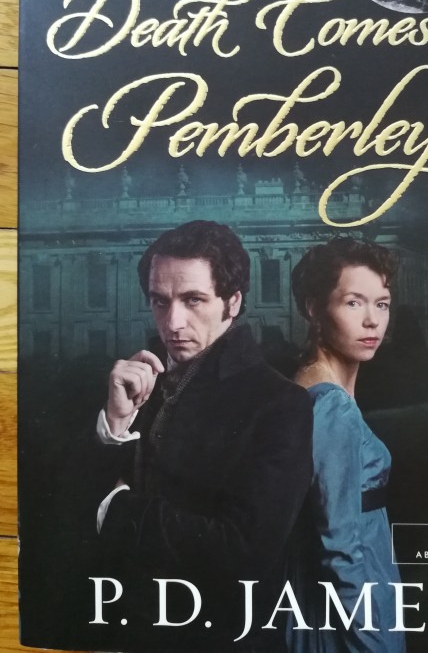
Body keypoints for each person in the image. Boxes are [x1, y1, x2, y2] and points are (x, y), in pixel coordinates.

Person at [72, 220, 313, 653]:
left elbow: (244, 553)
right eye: (159, 301)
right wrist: (114, 425)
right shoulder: (129, 382)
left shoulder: (281, 403)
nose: (173, 322)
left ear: (233, 301)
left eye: (193, 300)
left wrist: (117, 510)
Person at [287, 238, 405, 653]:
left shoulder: (313, 387)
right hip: (350, 609)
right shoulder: (330, 406)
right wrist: (371, 641)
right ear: (313, 308)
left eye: (382, 304)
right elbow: (340, 548)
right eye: (354, 303)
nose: (372, 321)